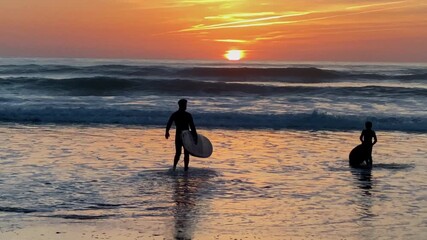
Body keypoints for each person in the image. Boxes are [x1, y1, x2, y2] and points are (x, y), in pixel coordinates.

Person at [165, 99, 197, 171]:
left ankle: (174, 167)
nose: (186, 106)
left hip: (178, 135)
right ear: (182, 105)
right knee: (186, 153)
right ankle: (185, 169)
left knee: (178, 153)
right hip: (186, 136)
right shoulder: (188, 115)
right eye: (185, 105)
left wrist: (167, 132)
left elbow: (169, 123)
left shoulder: (175, 114)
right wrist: (195, 136)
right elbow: (192, 127)